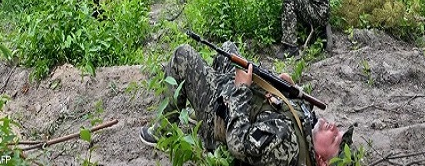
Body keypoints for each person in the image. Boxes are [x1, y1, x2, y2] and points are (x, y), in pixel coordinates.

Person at [140, 42, 353, 166]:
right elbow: (286, 113)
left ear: (322, 161)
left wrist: (242, 89)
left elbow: (238, 142)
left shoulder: (285, 143)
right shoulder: (306, 131)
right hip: (236, 101)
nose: (334, 127)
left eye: (334, 138)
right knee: (229, 49)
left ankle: (164, 130)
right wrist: (290, 91)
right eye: (339, 130)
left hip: (222, 118)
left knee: (182, 55)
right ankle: (199, 101)